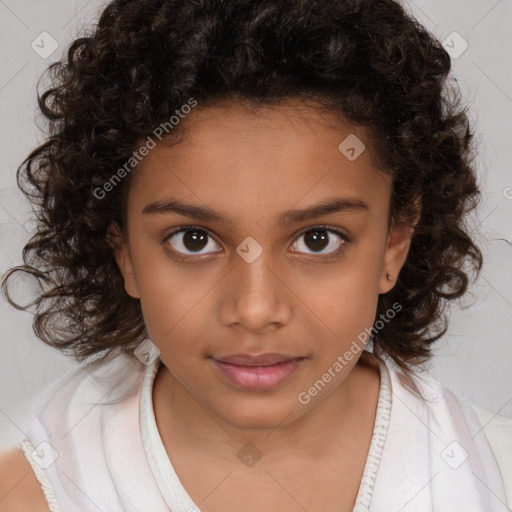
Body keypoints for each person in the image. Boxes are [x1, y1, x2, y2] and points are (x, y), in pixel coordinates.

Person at [0, 0, 510, 510]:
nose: (255, 309)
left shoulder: (493, 474)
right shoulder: (30, 493)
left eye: (318, 239)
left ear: (394, 243)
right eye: (193, 240)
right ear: (124, 250)